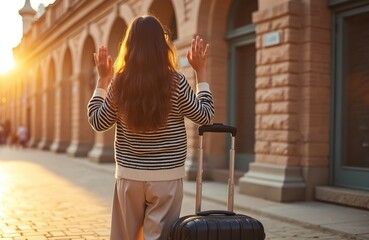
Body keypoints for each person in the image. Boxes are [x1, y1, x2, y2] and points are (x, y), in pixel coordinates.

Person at [87, 15, 214, 240]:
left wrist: (103, 80)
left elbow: (98, 121)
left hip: (129, 176)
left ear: (130, 45)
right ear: (162, 44)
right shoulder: (176, 81)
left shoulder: (120, 82)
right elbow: (204, 116)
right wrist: (201, 72)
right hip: (167, 177)